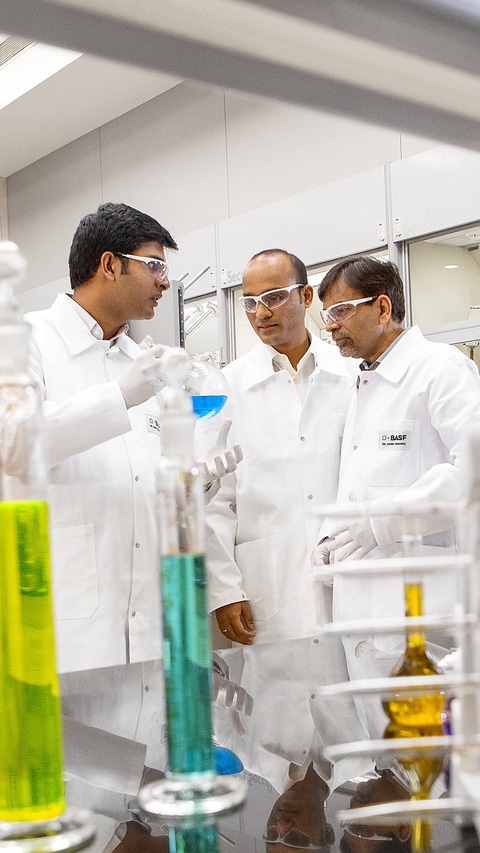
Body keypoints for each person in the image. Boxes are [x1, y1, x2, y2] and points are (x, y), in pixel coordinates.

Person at [22, 202, 240, 851]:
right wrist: (118, 395)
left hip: (151, 640)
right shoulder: (29, 343)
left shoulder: (139, 359)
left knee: (141, 822)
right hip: (74, 640)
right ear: (108, 264)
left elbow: (136, 477)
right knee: (72, 824)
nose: (164, 280)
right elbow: (15, 445)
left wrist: (192, 476)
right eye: (153, 265)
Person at [195, 248, 370, 793]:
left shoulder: (352, 376)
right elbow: (210, 498)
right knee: (269, 763)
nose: (260, 313)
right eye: (249, 303)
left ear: (305, 296)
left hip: (346, 589)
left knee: (358, 755)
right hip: (265, 593)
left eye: (272, 298)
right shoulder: (227, 386)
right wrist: (223, 589)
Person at [315, 255, 480, 739]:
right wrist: (333, 539)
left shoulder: (440, 369)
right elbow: (360, 482)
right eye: (326, 316)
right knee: (388, 775)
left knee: (435, 774)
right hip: (363, 621)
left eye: (340, 312)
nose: (330, 328)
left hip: (426, 620)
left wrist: (384, 520)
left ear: (383, 307)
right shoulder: (360, 382)